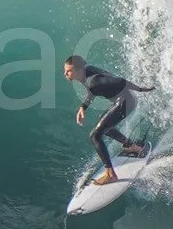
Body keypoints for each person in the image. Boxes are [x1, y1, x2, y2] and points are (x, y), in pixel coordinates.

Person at [66, 56, 154, 185]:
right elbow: (92, 91)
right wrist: (83, 107)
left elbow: (120, 81)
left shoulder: (93, 81)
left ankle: (111, 174)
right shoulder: (87, 72)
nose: (65, 74)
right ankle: (132, 147)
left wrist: (141, 89)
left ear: (78, 70)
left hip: (125, 103)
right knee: (103, 127)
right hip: (123, 100)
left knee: (95, 135)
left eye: (68, 71)